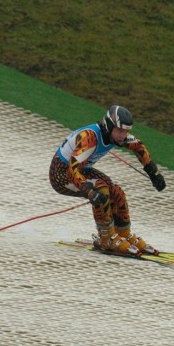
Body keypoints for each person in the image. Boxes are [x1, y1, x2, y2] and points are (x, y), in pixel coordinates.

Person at [49, 105, 166, 257]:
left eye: (126, 132)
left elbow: (138, 146)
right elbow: (72, 171)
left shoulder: (114, 136)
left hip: (81, 170)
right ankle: (106, 237)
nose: (123, 136)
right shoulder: (90, 138)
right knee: (100, 189)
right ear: (109, 126)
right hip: (61, 174)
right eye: (120, 131)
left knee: (116, 192)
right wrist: (89, 191)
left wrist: (154, 173)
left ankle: (123, 233)